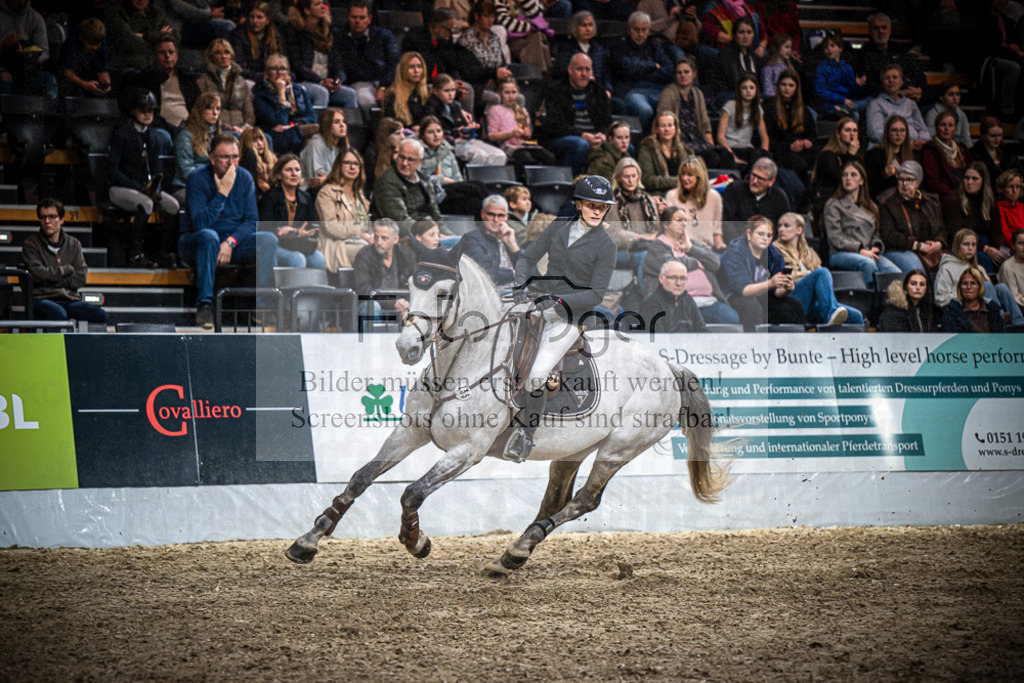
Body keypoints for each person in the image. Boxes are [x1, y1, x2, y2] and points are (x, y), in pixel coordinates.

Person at [506, 175, 618, 461]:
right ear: (579, 204)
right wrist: (520, 284)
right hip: (538, 300)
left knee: (538, 373)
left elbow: (596, 294)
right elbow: (527, 257)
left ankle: (524, 436)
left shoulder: (606, 245)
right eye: (591, 205)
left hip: (571, 316)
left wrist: (557, 302)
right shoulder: (558, 227)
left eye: (602, 207)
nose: (596, 211)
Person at [179, 134, 278, 329]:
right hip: (197, 241)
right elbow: (200, 223)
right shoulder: (197, 178)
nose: (230, 163)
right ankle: (205, 306)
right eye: (225, 157)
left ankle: (262, 307)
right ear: (212, 158)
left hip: (231, 242)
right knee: (210, 236)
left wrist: (231, 242)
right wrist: (222, 193)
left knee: (268, 240)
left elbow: (252, 221)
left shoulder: (244, 177)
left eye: (234, 157)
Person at [108, 88, 180, 269]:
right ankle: (136, 253)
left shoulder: (153, 136)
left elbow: (157, 169)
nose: (148, 114)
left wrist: (157, 189)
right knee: (146, 204)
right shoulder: (121, 134)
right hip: (121, 187)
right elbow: (113, 170)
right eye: (143, 110)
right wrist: (140, 189)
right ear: (133, 111)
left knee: (173, 205)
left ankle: (162, 251)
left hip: (146, 188)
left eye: (151, 110)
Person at [641, 205, 738, 323]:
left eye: (685, 220)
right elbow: (671, 265)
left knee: (731, 318)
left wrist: (691, 248)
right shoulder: (657, 246)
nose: (684, 224)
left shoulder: (691, 243)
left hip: (707, 301)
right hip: (676, 303)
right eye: (679, 220)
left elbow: (715, 262)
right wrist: (696, 262)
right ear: (666, 225)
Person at [21, 198, 108, 325]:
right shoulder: (31, 244)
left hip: (69, 299)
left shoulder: (74, 244)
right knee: (58, 313)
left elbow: (81, 277)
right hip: (41, 298)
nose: (47, 221)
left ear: (61, 219)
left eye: (52, 217)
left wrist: (53, 279)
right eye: (43, 217)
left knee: (100, 315)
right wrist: (63, 271)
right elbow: (37, 274)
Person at [774, 212, 864, 326]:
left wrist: (809, 274)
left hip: (812, 303)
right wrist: (809, 274)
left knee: (856, 316)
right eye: (779, 226)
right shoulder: (774, 251)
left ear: (799, 230)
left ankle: (851, 341)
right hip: (791, 298)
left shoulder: (809, 252)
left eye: (786, 225)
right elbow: (782, 277)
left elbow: (821, 280)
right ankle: (830, 313)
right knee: (821, 272)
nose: (781, 229)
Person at [719, 215, 805, 331]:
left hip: (762, 295)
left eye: (769, 235)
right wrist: (770, 283)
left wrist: (787, 288)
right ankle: (755, 345)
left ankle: (791, 346)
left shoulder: (773, 254)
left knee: (794, 305)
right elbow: (743, 290)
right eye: (760, 234)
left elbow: (776, 292)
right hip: (734, 296)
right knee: (752, 306)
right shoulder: (735, 252)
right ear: (749, 234)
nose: (765, 238)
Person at [823, 160, 900, 287]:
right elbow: (836, 238)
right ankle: (870, 302)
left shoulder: (870, 207)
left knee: (894, 273)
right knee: (867, 264)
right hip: (841, 253)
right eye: (845, 175)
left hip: (868, 253)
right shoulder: (834, 204)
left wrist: (876, 247)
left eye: (853, 175)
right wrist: (861, 250)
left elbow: (875, 234)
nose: (848, 178)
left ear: (861, 181)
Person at [538, 53, 611, 175]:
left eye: (587, 69)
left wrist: (603, 135)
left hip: (593, 136)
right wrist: (582, 135)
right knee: (580, 145)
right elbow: (556, 125)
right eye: (579, 69)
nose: (584, 74)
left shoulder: (598, 90)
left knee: (623, 145)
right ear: (570, 70)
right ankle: (572, 184)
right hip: (562, 138)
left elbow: (606, 119)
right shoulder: (555, 90)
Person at [933, 229, 1024, 324]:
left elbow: (990, 295)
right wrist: (966, 294)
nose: (970, 248)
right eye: (966, 244)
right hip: (964, 311)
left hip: (983, 308)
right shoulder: (947, 268)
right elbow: (940, 300)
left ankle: (1019, 325)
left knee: (1002, 288)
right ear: (957, 246)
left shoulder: (979, 268)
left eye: (973, 245)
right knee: (986, 286)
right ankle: (999, 320)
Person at [657, 56, 732, 169]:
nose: (683, 75)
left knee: (726, 155)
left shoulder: (697, 93)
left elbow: (706, 125)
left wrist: (710, 146)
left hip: (698, 140)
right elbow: (663, 121)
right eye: (679, 73)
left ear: (694, 74)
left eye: (687, 72)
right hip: (681, 143)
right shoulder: (668, 93)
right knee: (712, 158)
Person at [258, 153, 325, 269]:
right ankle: (292, 288)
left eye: (297, 170)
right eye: (289, 170)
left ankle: (311, 288)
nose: (294, 173)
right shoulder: (270, 197)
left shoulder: (306, 197)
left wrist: (297, 231)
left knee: (319, 259)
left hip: (298, 244)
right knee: (297, 259)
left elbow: (312, 227)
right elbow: (265, 229)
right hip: (277, 245)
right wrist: (291, 232)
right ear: (279, 175)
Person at [610, 10, 675, 131]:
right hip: (632, 91)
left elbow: (669, 71)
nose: (640, 34)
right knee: (645, 110)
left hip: (658, 90)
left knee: (673, 110)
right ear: (629, 30)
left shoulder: (655, 47)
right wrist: (653, 66)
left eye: (644, 30)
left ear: (649, 30)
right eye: (636, 29)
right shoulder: (619, 47)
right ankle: (646, 144)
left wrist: (640, 73)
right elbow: (626, 69)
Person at [285, 0, 357, 108]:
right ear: (307, 10)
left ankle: (349, 124)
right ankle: (317, 124)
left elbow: (338, 63)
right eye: (317, 4)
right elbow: (298, 66)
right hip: (304, 82)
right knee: (321, 92)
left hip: (326, 82)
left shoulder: (330, 33)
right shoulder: (297, 33)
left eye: (323, 3)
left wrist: (338, 80)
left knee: (350, 94)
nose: (323, 7)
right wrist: (320, 81)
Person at [425, 73, 505, 167]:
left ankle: (494, 181)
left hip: (464, 141)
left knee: (500, 155)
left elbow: (461, 126)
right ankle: (475, 181)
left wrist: (470, 128)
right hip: (449, 143)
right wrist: (458, 132)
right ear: (435, 91)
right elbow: (436, 131)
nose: (451, 94)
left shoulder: (456, 105)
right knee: (480, 156)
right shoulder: (431, 108)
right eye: (446, 91)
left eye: (453, 90)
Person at [879, 160, 946, 272]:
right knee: (916, 269)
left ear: (918, 183)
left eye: (909, 179)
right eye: (901, 179)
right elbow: (888, 236)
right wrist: (917, 245)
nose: (904, 184)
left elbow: (941, 229)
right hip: (902, 250)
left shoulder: (930, 203)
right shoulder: (888, 204)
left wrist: (938, 243)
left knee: (952, 268)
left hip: (930, 249)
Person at [125, 36, 200, 136]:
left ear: (177, 56)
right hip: (161, 129)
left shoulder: (187, 80)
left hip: (190, 128)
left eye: (171, 52)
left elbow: (200, 105)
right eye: (162, 52)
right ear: (154, 57)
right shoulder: (145, 79)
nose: (167, 56)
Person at [334, 0, 400, 113]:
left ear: (369, 19)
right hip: (359, 82)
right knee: (367, 101)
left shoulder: (384, 35)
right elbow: (338, 63)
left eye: (362, 18)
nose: (357, 21)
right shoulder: (339, 36)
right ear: (347, 17)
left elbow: (394, 62)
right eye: (354, 17)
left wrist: (383, 87)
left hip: (385, 81)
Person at [372, 137, 445, 237]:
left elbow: (436, 216)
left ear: (420, 161)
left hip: (425, 233)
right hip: (400, 237)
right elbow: (400, 221)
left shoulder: (424, 181)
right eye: (402, 157)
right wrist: (431, 235)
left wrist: (448, 235)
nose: (405, 163)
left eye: (410, 159)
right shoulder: (387, 182)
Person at [418, 115, 488, 217]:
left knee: (478, 188)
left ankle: (487, 220)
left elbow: (458, 178)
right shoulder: (417, 152)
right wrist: (442, 179)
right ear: (423, 135)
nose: (436, 135)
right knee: (475, 192)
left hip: (451, 192)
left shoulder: (448, 152)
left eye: (438, 131)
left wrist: (458, 186)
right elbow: (417, 179)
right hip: (432, 193)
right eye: (430, 132)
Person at [943, 163, 1007, 272]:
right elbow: (956, 234)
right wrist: (986, 249)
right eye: (966, 178)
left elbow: (996, 233)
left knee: (1006, 260)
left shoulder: (990, 201)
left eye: (974, 179)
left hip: (983, 242)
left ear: (983, 181)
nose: (969, 182)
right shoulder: (954, 200)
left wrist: (1001, 251)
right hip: (961, 244)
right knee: (985, 260)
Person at [315, 147, 371, 271]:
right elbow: (331, 227)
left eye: (356, 164)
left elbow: (368, 225)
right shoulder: (327, 192)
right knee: (372, 254)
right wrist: (360, 233)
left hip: (363, 241)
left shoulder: (360, 195)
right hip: (338, 245)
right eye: (347, 163)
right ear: (338, 166)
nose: (352, 167)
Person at [252, 53, 317, 155]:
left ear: (288, 72)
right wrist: (281, 93)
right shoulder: (260, 95)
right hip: (277, 136)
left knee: (315, 140)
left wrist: (293, 125)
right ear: (267, 74)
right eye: (274, 69)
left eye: (283, 68)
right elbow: (280, 123)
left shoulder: (299, 91)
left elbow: (312, 117)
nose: (279, 73)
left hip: (296, 131)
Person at [353, 218, 415, 321]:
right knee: (372, 307)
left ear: (395, 240)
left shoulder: (406, 255)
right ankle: (373, 338)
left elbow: (415, 285)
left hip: (402, 307)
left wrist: (406, 303)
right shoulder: (364, 255)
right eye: (376, 237)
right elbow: (363, 290)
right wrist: (394, 303)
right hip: (376, 306)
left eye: (384, 238)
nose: (378, 242)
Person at [486, 77, 555, 169]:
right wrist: (511, 134)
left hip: (522, 143)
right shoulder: (495, 110)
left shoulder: (522, 110)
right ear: (500, 94)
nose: (510, 96)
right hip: (506, 144)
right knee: (525, 158)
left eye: (513, 92)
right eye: (507, 93)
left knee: (549, 157)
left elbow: (528, 134)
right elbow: (492, 136)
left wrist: (527, 133)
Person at [854, 12, 925, 100]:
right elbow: (868, 86)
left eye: (884, 27)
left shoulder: (898, 48)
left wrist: (919, 90)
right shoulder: (864, 52)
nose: (881, 31)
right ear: (870, 31)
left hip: (906, 94)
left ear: (890, 30)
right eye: (876, 28)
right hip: (880, 97)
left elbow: (918, 74)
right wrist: (899, 94)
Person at [809, 117, 862, 231]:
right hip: (828, 202)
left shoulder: (858, 157)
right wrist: (851, 155)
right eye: (847, 130)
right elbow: (843, 179)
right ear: (838, 134)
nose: (852, 134)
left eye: (855, 130)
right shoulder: (827, 155)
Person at [763, 69, 816, 182]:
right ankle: (803, 196)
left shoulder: (804, 110)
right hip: (781, 152)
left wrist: (808, 142)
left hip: (803, 150)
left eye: (791, 85)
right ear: (778, 86)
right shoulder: (769, 108)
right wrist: (789, 147)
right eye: (784, 84)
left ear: (796, 88)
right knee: (799, 163)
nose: (787, 88)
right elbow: (768, 139)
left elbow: (812, 135)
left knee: (824, 157)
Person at [664, 154, 725, 251]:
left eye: (689, 175)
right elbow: (670, 233)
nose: (684, 178)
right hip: (682, 249)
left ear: (699, 177)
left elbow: (716, 233)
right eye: (682, 174)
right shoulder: (672, 196)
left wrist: (721, 246)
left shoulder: (714, 197)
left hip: (707, 250)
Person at [609, 157, 661, 270]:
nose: (631, 181)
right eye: (626, 177)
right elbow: (615, 234)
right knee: (647, 256)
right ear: (618, 178)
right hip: (623, 250)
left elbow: (657, 228)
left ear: (639, 176)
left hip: (649, 246)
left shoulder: (648, 200)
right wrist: (641, 238)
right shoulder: (612, 202)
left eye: (634, 176)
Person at [460, 194, 522, 287]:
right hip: (493, 296)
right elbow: (486, 273)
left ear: (506, 217)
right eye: (491, 214)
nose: (495, 220)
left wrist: (513, 246)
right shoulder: (471, 239)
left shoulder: (509, 235)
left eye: (500, 215)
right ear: (483, 214)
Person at [721, 157, 790, 240]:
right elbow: (726, 222)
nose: (754, 181)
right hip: (737, 244)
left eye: (760, 178)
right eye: (753, 175)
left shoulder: (779, 196)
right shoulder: (735, 189)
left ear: (771, 182)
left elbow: (784, 227)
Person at [196, 39, 254, 133]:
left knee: (266, 138)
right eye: (218, 53)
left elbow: (250, 114)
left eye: (227, 52)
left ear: (231, 55)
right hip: (217, 129)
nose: (223, 56)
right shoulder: (203, 80)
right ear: (211, 57)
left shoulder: (241, 81)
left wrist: (243, 129)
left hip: (242, 130)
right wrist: (228, 128)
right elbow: (204, 112)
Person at [865, 64, 930, 148]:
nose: (891, 80)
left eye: (894, 77)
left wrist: (920, 141)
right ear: (882, 83)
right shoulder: (875, 104)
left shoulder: (911, 104)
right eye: (887, 78)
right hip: (889, 148)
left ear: (901, 82)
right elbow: (875, 133)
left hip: (915, 146)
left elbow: (923, 130)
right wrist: (905, 144)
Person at [174, 93, 224, 200]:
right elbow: (187, 171)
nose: (215, 113)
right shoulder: (185, 135)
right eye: (210, 108)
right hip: (186, 185)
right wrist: (211, 183)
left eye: (218, 109)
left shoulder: (218, 135)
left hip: (212, 184)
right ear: (200, 110)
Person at [104, 0, 174, 75]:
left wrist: (144, 35)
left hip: (155, 68)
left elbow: (175, 37)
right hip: (128, 69)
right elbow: (129, 42)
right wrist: (159, 38)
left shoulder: (157, 12)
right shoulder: (115, 14)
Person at [552, 10, 612, 95]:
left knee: (617, 104)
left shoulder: (599, 49)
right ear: (575, 27)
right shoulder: (566, 48)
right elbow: (560, 73)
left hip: (597, 90)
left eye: (590, 25)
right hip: (573, 89)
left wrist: (608, 90)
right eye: (584, 25)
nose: (588, 29)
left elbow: (605, 76)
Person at [716, 73, 769, 168]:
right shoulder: (730, 105)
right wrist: (733, 156)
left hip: (747, 148)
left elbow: (764, 136)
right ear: (739, 90)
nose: (748, 90)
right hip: (730, 148)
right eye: (744, 88)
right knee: (754, 155)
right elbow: (720, 136)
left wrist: (764, 154)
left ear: (756, 90)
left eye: (751, 88)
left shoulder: (757, 108)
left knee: (767, 157)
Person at [920, 110, 973, 203]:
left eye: (950, 125)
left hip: (967, 193)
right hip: (946, 199)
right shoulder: (930, 150)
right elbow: (933, 183)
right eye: (943, 125)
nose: (946, 128)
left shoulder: (962, 149)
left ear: (955, 128)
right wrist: (955, 196)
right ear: (936, 127)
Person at [640, 259, 706, 332]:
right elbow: (655, 340)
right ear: (661, 278)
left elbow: (702, 330)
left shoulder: (688, 300)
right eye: (673, 278)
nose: (678, 283)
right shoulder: (650, 304)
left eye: (683, 278)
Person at [812, 34, 868, 119]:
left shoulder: (847, 67)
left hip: (847, 103)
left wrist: (857, 84)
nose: (829, 49)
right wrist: (842, 99)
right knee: (854, 114)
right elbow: (821, 92)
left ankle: (849, 108)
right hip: (830, 105)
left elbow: (852, 91)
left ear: (840, 48)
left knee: (870, 101)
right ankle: (849, 109)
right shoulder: (821, 68)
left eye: (832, 46)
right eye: (826, 47)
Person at [637, 111, 690, 196]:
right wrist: (678, 181)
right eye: (663, 126)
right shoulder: (648, 148)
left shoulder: (683, 149)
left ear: (675, 128)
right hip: (658, 195)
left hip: (682, 193)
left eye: (670, 125)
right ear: (656, 129)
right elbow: (647, 179)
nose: (667, 129)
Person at [941, 266, 1007, 332]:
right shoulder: (952, 311)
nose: (969, 287)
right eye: (965, 283)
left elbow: (1002, 336)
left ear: (980, 286)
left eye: (973, 283)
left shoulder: (992, 308)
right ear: (960, 287)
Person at [58, 17, 111, 98]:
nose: (94, 48)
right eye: (90, 44)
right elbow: (67, 72)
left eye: (97, 44)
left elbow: (102, 70)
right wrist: (85, 85)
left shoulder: (102, 44)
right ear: (81, 38)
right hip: (72, 77)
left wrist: (105, 84)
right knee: (65, 85)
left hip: (89, 73)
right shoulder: (71, 43)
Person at [229, 2, 282, 83]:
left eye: (259, 17)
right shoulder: (238, 35)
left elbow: (283, 62)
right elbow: (238, 66)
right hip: (247, 79)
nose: (254, 21)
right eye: (252, 17)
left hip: (271, 78)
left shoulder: (276, 37)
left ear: (267, 20)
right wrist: (262, 76)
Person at [299, 107, 348, 192]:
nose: (342, 125)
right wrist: (339, 180)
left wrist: (328, 179)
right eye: (336, 122)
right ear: (327, 126)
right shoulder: (316, 143)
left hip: (333, 188)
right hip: (310, 192)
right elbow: (316, 179)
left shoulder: (344, 147)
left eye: (344, 122)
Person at [715, 16, 763, 101]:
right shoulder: (725, 54)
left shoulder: (754, 57)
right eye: (741, 32)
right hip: (731, 95)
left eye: (749, 32)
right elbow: (731, 83)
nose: (745, 36)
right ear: (734, 35)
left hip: (751, 94)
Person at [877, 269, 942, 332]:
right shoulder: (893, 313)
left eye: (922, 284)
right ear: (906, 286)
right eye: (913, 284)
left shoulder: (928, 310)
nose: (918, 288)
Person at [865, 114, 912, 199]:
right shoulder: (875, 154)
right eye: (894, 130)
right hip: (886, 201)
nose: (898, 134)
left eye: (902, 130)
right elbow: (871, 187)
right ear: (887, 133)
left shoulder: (912, 155)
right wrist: (883, 176)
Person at [382, 51, 430, 131]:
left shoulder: (427, 91)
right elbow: (390, 124)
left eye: (419, 66)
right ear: (403, 69)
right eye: (411, 67)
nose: (416, 71)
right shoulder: (393, 93)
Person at [162, 0, 235, 49]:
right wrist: (209, 13)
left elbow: (204, 3)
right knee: (226, 26)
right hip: (178, 27)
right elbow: (179, 6)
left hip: (197, 22)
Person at [924, 81, 972, 148]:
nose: (955, 98)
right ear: (941, 97)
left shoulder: (962, 115)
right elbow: (931, 137)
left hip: (957, 149)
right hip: (939, 148)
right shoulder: (932, 113)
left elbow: (966, 138)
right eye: (951, 94)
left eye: (957, 94)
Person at [972, 118, 1017, 187]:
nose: (997, 139)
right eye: (993, 136)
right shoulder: (974, 154)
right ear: (982, 135)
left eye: (1000, 135)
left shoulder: (1008, 152)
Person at [239, 126, 277, 197]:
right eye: (254, 141)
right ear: (246, 143)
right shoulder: (249, 157)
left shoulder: (272, 157)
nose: (259, 143)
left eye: (261, 139)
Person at [761, 32, 795, 98]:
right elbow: (768, 91)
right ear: (777, 47)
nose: (789, 50)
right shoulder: (768, 69)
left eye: (790, 47)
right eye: (786, 47)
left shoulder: (790, 67)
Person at [998, 228, 1024, 316]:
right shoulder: (1008, 267)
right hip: (1019, 308)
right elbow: (1014, 298)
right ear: (1013, 246)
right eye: (1020, 243)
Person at [996, 169, 1024, 247]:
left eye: (1018, 187)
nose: (1015, 191)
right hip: (1012, 249)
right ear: (1002, 188)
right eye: (1010, 187)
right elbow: (1007, 239)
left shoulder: (1022, 207)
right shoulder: (998, 209)